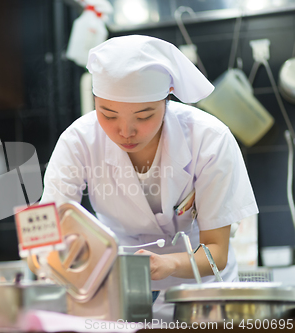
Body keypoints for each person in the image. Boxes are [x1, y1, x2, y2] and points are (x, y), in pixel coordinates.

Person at [40, 35, 258, 321]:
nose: (125, 131)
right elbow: (49, 230)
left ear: (166, 98)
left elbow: (216, 252)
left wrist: (167, 264)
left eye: (143, 116)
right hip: (116, 292)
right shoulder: (78, 141)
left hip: (200, 296)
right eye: (108, 115)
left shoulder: (208, 139)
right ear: (95, 103)